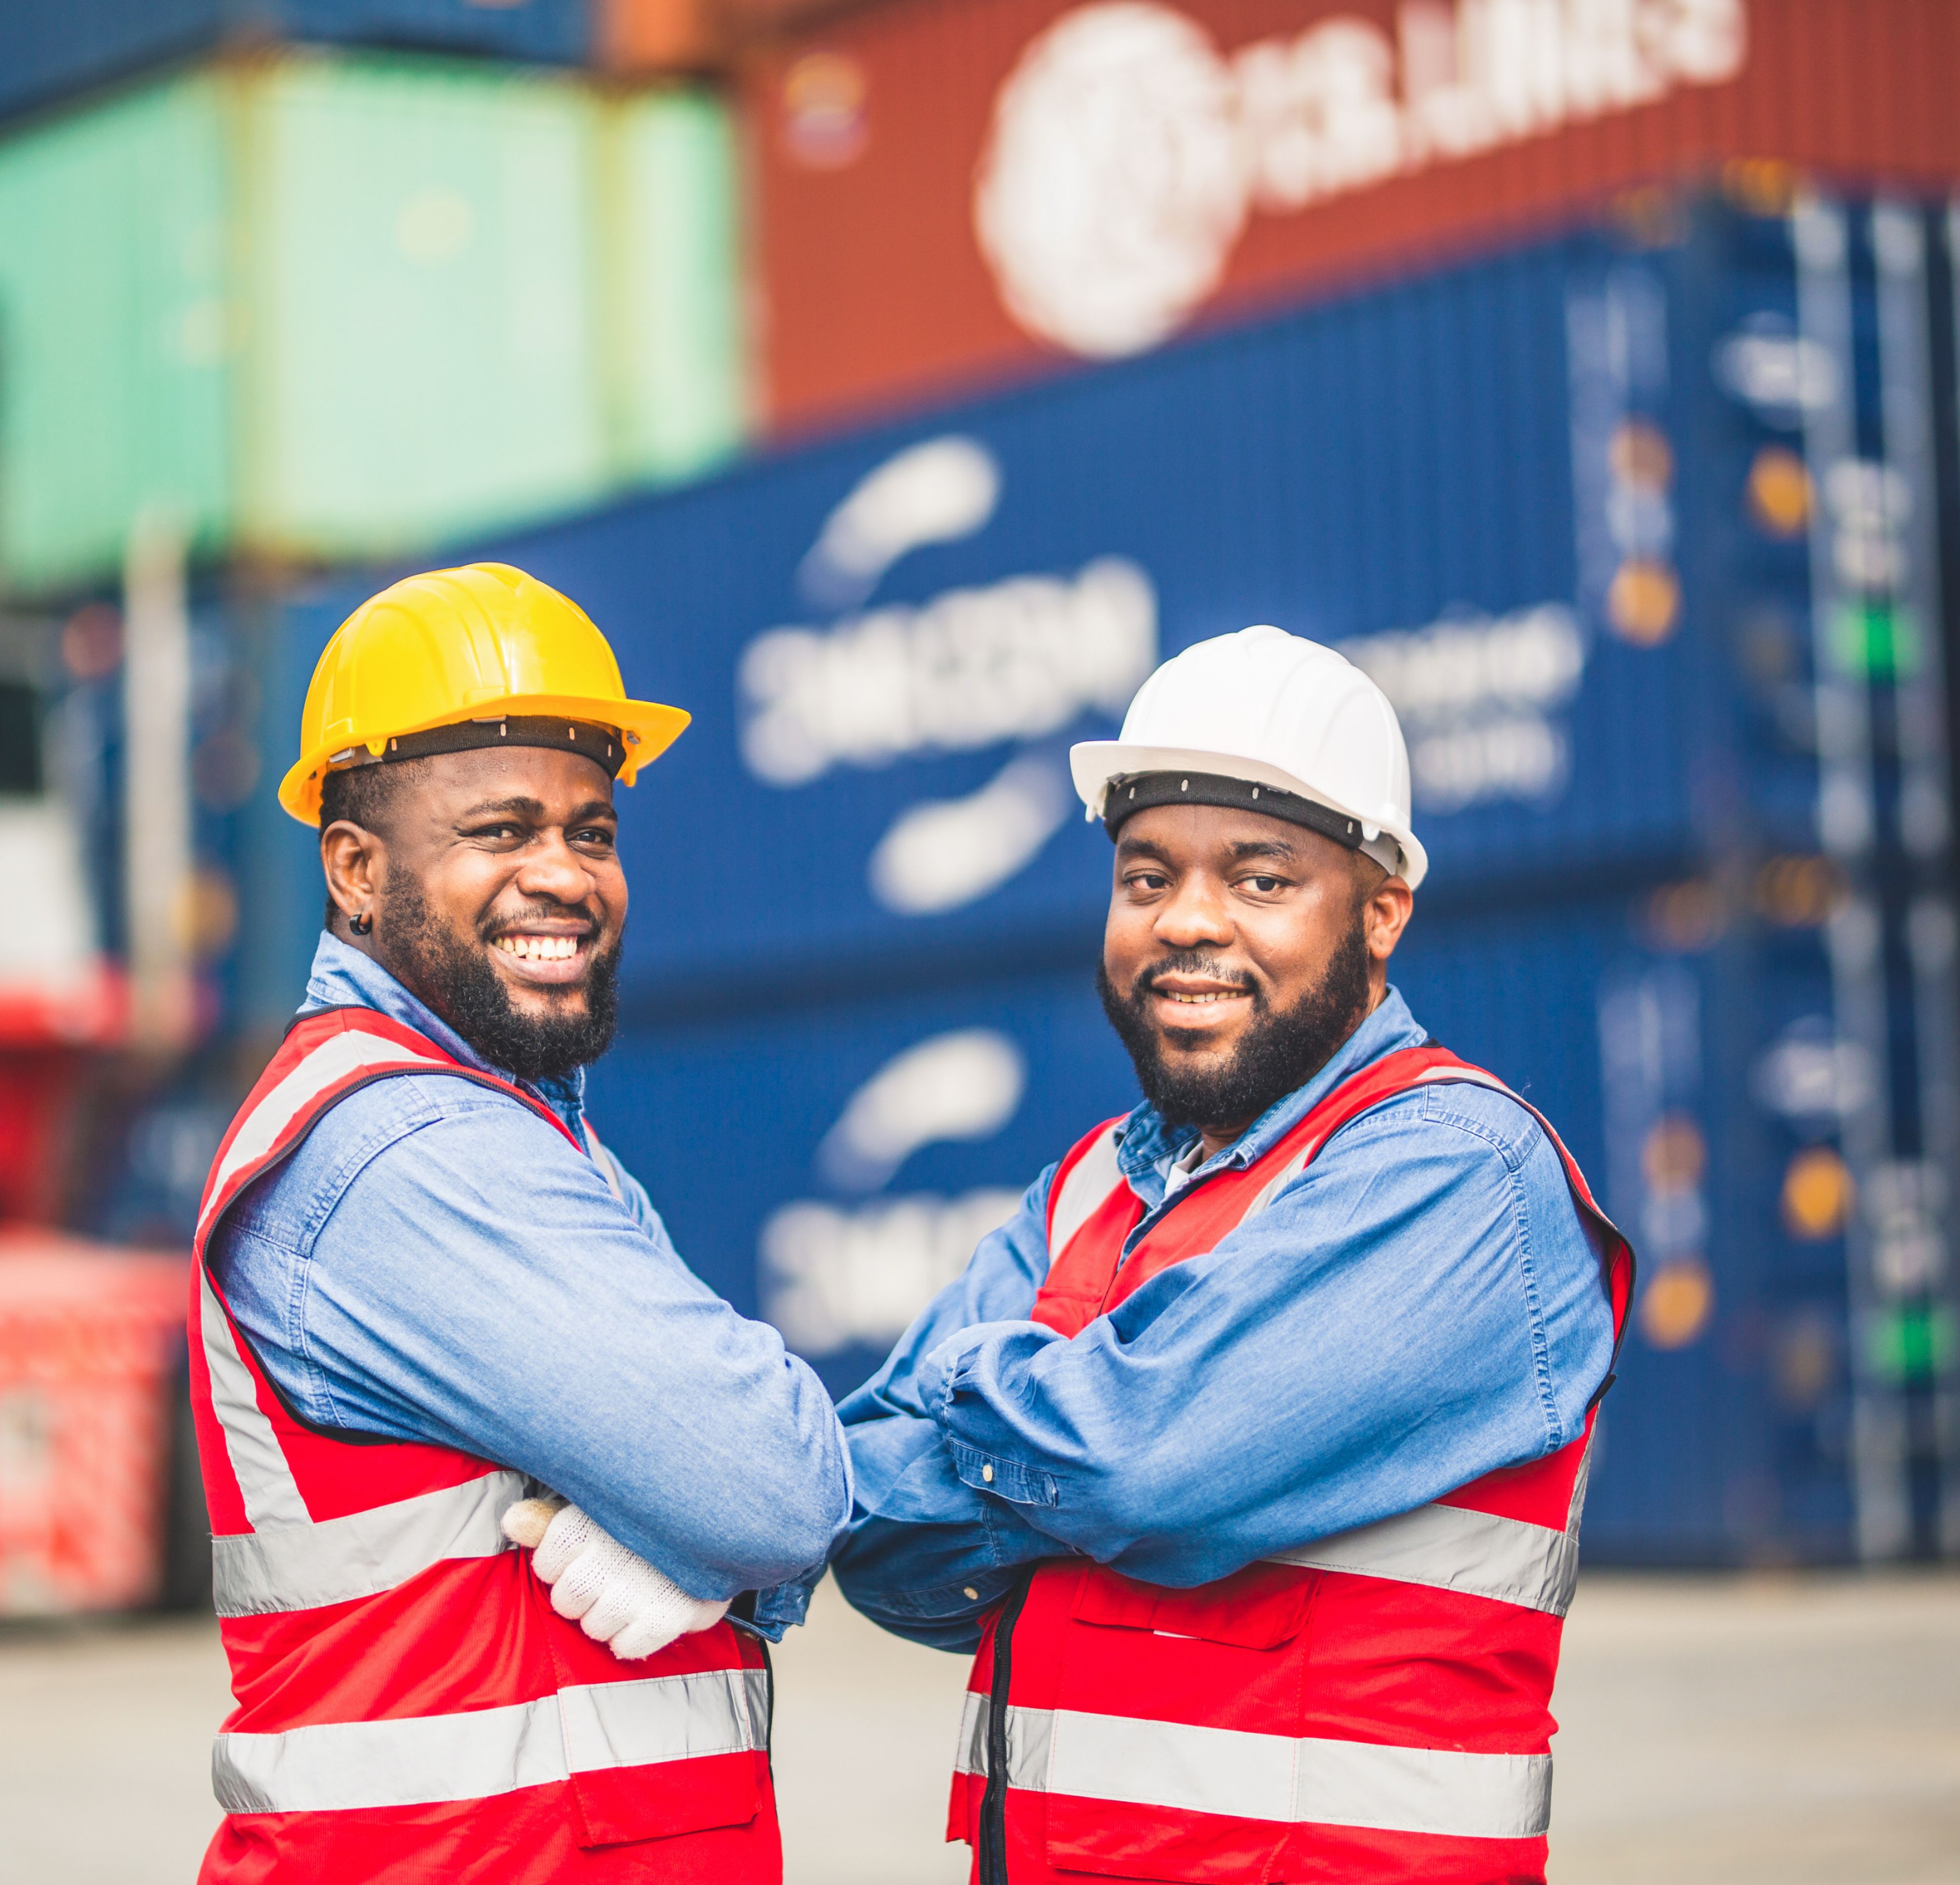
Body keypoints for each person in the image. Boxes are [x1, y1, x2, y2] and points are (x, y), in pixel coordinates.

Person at [828, 625, 1635, 1885]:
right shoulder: (1086, 1187)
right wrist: (1084, 1436)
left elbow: (1137, 1467)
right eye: (1147, 878)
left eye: (1260, 880)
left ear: (1380, 914)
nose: (1188, 924)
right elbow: (878, 1534)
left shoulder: (1457, 1175)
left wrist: (967, 1390)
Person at [186, 563, 847, 1884]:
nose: (564, 877)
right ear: (357, 870)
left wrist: (710, 1542)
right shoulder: (405, 1151)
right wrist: (728, 1539)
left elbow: (735, 1492)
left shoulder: (515, 1123)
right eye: (501, 831)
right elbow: (773, 1481)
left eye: (591, 832)